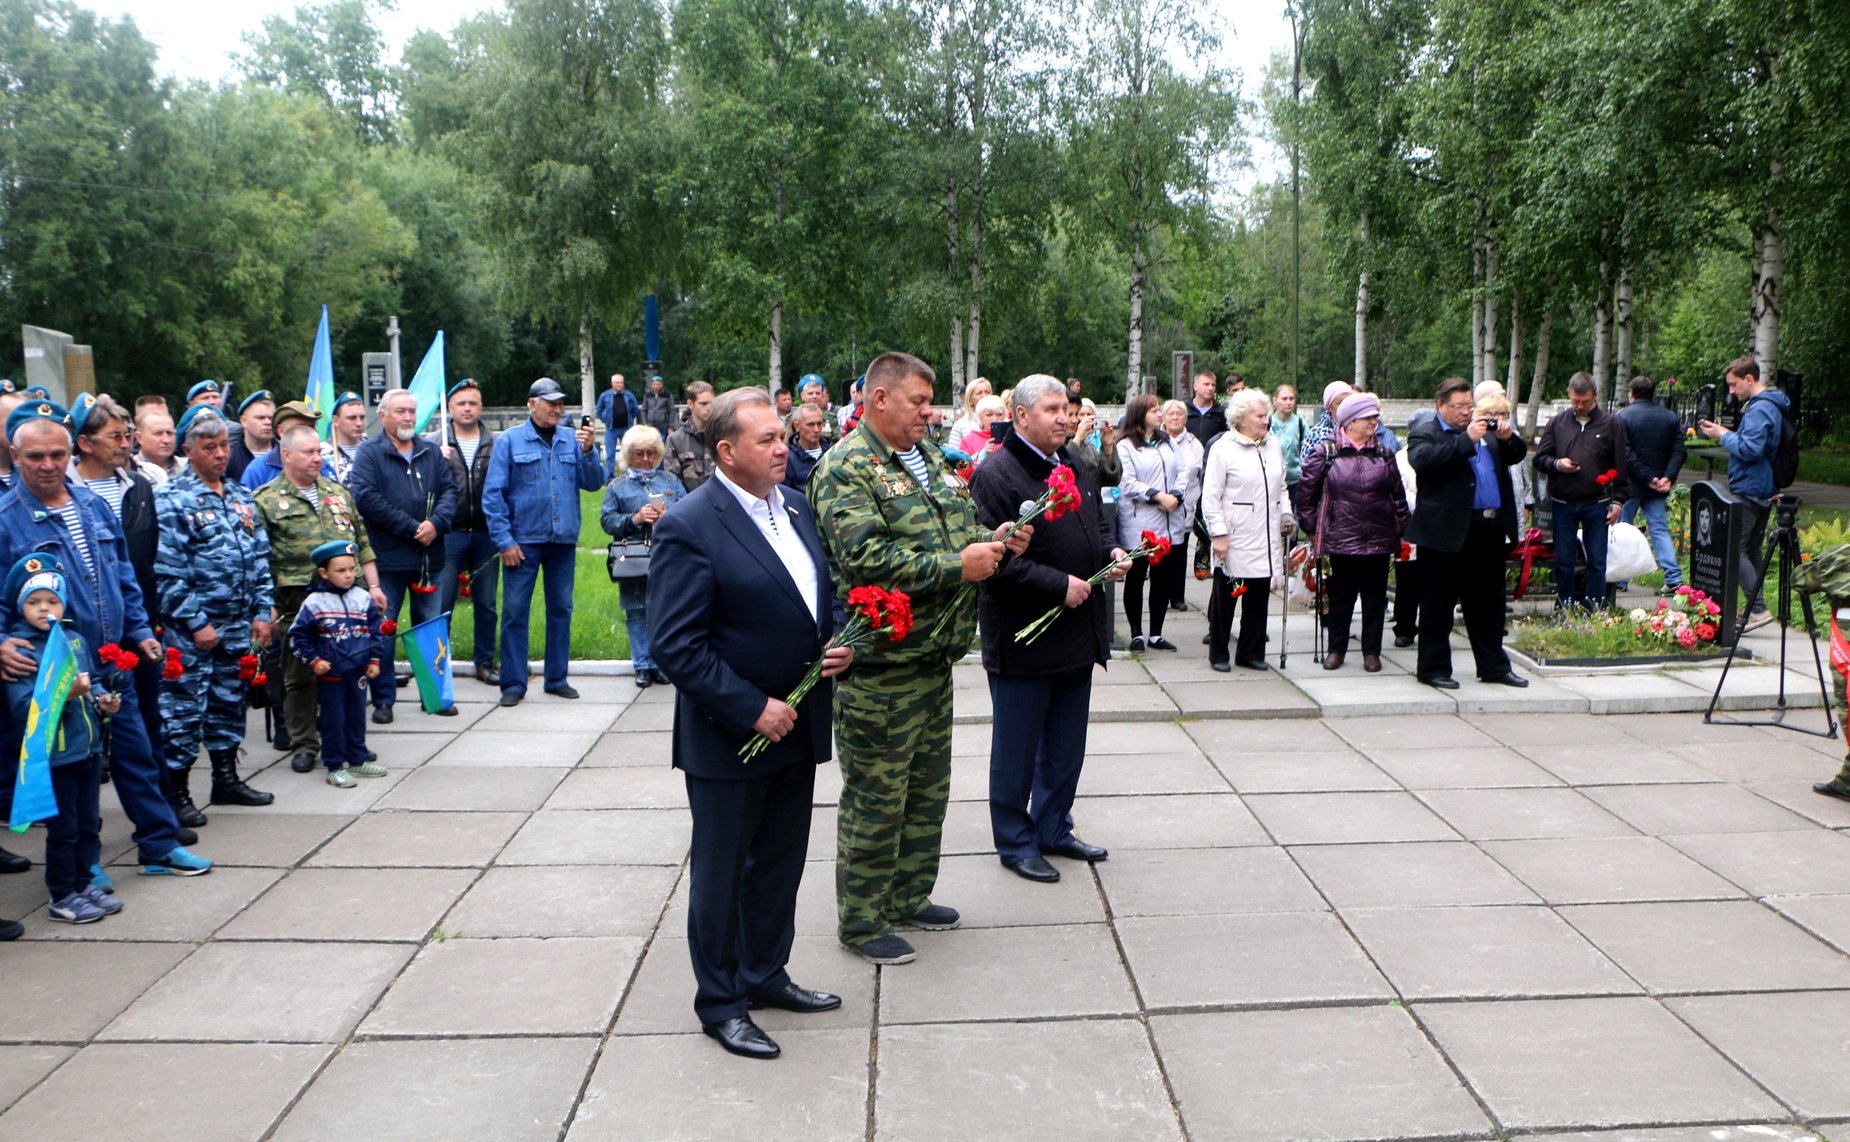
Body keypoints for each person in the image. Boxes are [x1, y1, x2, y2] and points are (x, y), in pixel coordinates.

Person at [648, 387, 850, 1060]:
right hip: (731, 736)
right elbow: (676, 645)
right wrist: (750, 707)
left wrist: (837, 639)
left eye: (783, 436)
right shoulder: (689, 524)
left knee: (779, 864)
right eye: (767, 440)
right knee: (722, 875)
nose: (782, 447)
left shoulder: (795, 505)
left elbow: (819, 595)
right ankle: (721, 1003)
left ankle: (765, 974)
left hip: (799, 722)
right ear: (727, 452)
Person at [810, 351, 1023, 966]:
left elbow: (954, 531)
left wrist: (992, 543)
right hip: (882, 669)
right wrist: (960, 565)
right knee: (877, 799)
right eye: (917, 402)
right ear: (878, 400)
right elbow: (865, 561)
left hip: (933, 658)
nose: (929, 413)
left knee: (927, 792)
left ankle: (907, 895)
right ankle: (862, 919)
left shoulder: (926, 457)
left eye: (931, 403)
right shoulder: (846, 469)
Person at [0, 401, 213, 878]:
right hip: (57, 665)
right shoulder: (5, 518)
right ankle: (84, 864)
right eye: (35, 456)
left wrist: (138, 629)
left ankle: (158, 845)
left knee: (137, 752)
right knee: (75, 767)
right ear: (15, 456)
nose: (48, 465)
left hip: (115, 656)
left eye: (57, 454)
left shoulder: (91, 504)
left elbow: (122, 575)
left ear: (70, 452)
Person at [969, 375, 1126, 884]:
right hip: (1024, 635)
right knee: (1017, 750)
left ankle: (1054, 826)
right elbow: (993, 561)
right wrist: (1058, 585)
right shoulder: (997, 474)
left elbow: (1095, 523)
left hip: (1076, 631)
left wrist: (1111, 551)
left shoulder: (1071, 461)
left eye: (1066, 409)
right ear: (1020, 416)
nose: (1065, 417)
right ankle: (1016, 842)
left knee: (1065, 745)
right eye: (1052, 410)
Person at [69, 395, 205, 849]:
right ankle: (77, 841)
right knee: (82, 738)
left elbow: (137, 562)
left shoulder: (140, 485)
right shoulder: (68, 493)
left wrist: (147, 622)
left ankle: (159, 822)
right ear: (84, 442)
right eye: (115, 436)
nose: (126, 443)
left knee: (146, 725)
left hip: (137, 623)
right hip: (79, 634)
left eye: (128, 434)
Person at [153, 404, 279, 814]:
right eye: (210, 447)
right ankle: (177, 794)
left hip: (238, 624)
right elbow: (167, 572)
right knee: (184, 712)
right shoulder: (172, 499)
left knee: (229, 704)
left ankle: (225, 780)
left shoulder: (240, 495)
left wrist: (263, 609)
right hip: (192, 632)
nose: (221, 454)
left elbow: (260, 558)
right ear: (188, 450)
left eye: (224, 445)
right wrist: (195, 622)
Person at [255, 423, 385, 773]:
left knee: (349, 674)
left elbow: (362, 542)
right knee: (300, 677)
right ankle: (304, 744)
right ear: (286, 455)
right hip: (296, 603)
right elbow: (258, 560)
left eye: (319, 452)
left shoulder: (337, 492)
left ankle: (349, 744)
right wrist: (265, 605)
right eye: (309, 452)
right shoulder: (266, 499)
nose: (317, 458)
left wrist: (373, 586)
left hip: (347, 603)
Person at [5, 554, 122, 923]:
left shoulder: (74, 640)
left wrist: (102, 700)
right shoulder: (20, 650)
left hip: (86, 750)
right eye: (34, 602)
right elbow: (24, 708)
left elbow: (92, 681)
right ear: (20, 606)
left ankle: (83, 883)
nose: (44, 609)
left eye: (52, 601)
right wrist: (68, 693)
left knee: (88, 825)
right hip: (53, 756)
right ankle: (62, 895)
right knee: (64, 830)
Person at [481, 378, 604, 707]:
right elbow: (493, 496)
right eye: (551, 403)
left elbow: (594, 483)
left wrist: (589, 451)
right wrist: (505, 541)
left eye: (560, 404)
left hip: (562, 541)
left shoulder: (571, 440)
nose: (558, 409)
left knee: (561, 609)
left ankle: (556, 678)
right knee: (515, 612)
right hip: (522, 543)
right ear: (532, 404)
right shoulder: (510, 441)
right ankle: (513, 683)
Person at [1406, 377, 1529, 689]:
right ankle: (1433, 669)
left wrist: (1507, 438)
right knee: (1438, 605)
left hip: (1487, 529)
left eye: (1469, 405)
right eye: (1459, 406)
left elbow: (1516, 455)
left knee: (1489, 604)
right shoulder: (1426, 433)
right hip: (1444, 533)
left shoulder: (1485, 431)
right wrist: (1466, 441)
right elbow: (1424, 461)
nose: (1466, 412)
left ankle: (1493, 667)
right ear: (1440, 406)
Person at [348, 389, 458, 723]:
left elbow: (449, 491)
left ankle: (434, 696)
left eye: (412, 410)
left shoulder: (429, 451)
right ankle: (383, 700)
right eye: (400, 411)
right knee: (384, 630)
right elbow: (366, 498)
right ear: (382, 416)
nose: (408, 417)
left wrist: (435, 524)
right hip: (388, 561)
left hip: (429, 560)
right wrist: (412, 527)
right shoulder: (370, 453)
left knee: (431, 629)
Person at [1297, 392, 1408, 672]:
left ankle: (1372, 652)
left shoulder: (1384, 452)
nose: (1374, 422)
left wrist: (1404, 530)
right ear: (1350, 421)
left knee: (1375, 598)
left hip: (1378, 537)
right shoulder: (1326, 451)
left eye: (1375, 417)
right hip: (1341, 537)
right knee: (1341, 597)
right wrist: (1311, 530)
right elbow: (1306, 496)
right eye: (1367, 417)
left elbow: (1397, 495)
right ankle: (1337, 650)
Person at [1203, 389, 1294, 671]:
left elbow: (1281, 486)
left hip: (1265, 535)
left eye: (1266, 416)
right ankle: (1219, 653)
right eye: (1259, 416)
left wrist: (1286, 514)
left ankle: (1250, 653)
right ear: (1242, 419)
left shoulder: (1272, 445)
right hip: (1235, 537)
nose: (1265, 421)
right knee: (1227, 598)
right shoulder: (1223, 448)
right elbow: (1210, 496)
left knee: (1258, 597)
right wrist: (1219, 534)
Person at [288, 540, 388, 788]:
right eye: (340, 570)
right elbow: (297, 637)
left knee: (357, 716)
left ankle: (357, 758)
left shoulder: (362, 598)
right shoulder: (314, 602)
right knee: (333, 719)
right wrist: (315, 661)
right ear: (324, 573)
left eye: (352, 569)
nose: (348, 575)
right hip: (331, 674)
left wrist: (374, 660)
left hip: (358, 673)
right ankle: (334, 766)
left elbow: (376, 632)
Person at [1698, 356, 1786, 622]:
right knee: (1750, 549)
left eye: (1734, 385)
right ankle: (1756, 609)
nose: (1731, 391)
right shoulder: (1770, 405)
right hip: (1761, 486)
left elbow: (1751, 449)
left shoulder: (1760, 409)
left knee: (1735, 547)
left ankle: (1757, 609)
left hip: (1751, 487)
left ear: (1749, 379)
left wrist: (1723, 435)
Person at [600, 425, 686, 689]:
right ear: (628, 454)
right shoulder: (617, 486)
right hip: (633, 557)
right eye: (639, 454)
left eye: (651, 453)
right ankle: (641, 665)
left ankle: (660, 664)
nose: (646, 459)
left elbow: (687, 511)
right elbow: (607, 521)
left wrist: (668, 517)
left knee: (665, 611)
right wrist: (635, 519)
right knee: (636, 611)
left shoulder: (670, 481)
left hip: (667, 555)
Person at [1535, 372, 1628, 609]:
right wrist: (1558, 464)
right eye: (1575, 401)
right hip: (1563, 502)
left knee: (1597, 560)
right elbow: (1540, 459)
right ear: (1569, 394)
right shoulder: (1557, 423)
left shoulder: (1611, 424)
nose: (1579, 406)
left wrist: (1618, 501)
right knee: (1564, 560)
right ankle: (1565, 605)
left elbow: (1620, 464)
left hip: (1597, 502)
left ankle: (1594, 607)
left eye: (1585, 402)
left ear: (1595, 395)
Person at [429, 380, 500, 687]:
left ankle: (484, 662)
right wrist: (435, 460)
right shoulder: (434, 443)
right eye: (461, 404)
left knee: (486, 603)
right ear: (450, 408)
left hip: (486, 532)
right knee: (441, 604)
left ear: (481, 407)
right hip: (449, 533)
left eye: (473, 403)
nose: (467, 409)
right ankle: (438, 666)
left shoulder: (495, 443)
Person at [1115, 394, 1191, 651]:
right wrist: (1158, 496)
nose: (1160, 414)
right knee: (1136, 576)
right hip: (1141, 522)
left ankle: (1156, 633)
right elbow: (1128, 482)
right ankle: (1136, 633)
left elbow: (1183, 471)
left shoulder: (1167, 441)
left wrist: (1175, 496)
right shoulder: (1125, 445)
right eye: (1154, 410)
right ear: (1140, 415)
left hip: (1168, 520)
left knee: (1162, 579)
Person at [1616, 374, 1687, 594]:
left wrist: (1648, 479)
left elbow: (1625, 454)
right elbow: (1679, 451)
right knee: (1660, 530)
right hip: (1658, 484)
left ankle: (1620, 580)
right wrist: (1667, 477)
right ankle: (1674, 578)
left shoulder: (1623, 416)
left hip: (1631, 484)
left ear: (1632, 394)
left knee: (1622, 530)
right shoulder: (1669, 417)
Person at [1158, 399, 1206, 599]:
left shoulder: (1194, 444)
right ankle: (1161, 594)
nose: (1175, 418)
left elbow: (1202, 474)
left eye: (1179, 414)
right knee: (1161, 554)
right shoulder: (1155, 439)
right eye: (1171, 414)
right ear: (1163, 417)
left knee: (1180, 551)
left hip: (1186, 505)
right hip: (1159, 506)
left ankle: (1177, 596)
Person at [1185, 371, 1228, 581]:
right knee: (1192, 521)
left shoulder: (1221, 413)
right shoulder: (1185, 410)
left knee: (1208, 516)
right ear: (1195, 386)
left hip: (1214, 469)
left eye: (1213, 384)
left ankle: (1209, 562)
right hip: (1190, 473)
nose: (1210, 388)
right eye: (1205, 384)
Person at [239, 400, 335, 490]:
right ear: (281, 431)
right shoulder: (259, 469)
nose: (306, 432)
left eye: (311, 427)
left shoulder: (323, 466)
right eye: (299, 428)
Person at [664, 380, 717, 493]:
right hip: (688, 500)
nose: (709, 408)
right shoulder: (676, 440)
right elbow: (672, 481)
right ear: (690, 404)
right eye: (703, 404)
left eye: (712, 403)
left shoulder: (723, 436)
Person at [1066, 395, 1120, 487]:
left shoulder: (1088, 445)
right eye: (1070, 415)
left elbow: (1111, 480)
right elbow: (1062, 472)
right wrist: (1077, 440)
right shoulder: (1052, 445)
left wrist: (1108, 447)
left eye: (1076, 414)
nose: (1074, 420)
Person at [227, 390, 275, 483]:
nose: (267, 422)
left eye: (271, 418)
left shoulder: (285, 454)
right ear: (244, 421)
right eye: (260, 418)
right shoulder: (230, 458)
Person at [597, 373, 640, 474]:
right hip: (611, 429)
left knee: (628, 453)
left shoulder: (629, 395)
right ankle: (610, 476)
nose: (620, 385)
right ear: (612, 383)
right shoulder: (604, 396)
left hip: (626, 429)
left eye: (621, 383)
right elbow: (599, 410)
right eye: (617, 383)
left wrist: (630, 419)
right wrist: (605, 420)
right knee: (610, 455)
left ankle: (629, 474)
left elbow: (635, 410)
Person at [783, 404, 829, 493]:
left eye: (819, 424)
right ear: (796, 426)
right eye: (810, 424)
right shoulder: (788, 458)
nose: (816, 429)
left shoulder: (832, 451)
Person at [1271, 383, 1307, 497]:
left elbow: (1307, 452)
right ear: (1275, 400)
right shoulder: (1266, 423)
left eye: (1291, 398)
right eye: (1284, 399)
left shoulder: (1301, 423)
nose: (1288, 402)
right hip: (1272, 480)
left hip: (1295, 481)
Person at [133, 405, 183, 485]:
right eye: (158, 433)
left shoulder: (189, 467)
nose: (166, 440)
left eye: (170, 433)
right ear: (139, 438)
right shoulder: (128, 471)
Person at [1304, 381, 1353, 457]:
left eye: (1349, 402)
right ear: (1329, 406)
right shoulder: (1316, 434)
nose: (1345, 407)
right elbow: (1306, 462)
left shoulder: (1361, 429)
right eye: (1340, 403)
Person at [328, 392, 368, 485]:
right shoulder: (321, 452)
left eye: (362, 417)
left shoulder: (374, 449)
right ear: (336, 420)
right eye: (352, 418)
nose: (359, 423)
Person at [958, 395, 1008, 463]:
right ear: (980, 416)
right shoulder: (968, 440)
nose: (994, 419)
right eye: (989, 415)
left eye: (999, 414)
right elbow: (963, 468)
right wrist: (982, 455)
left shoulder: (1011, 437)